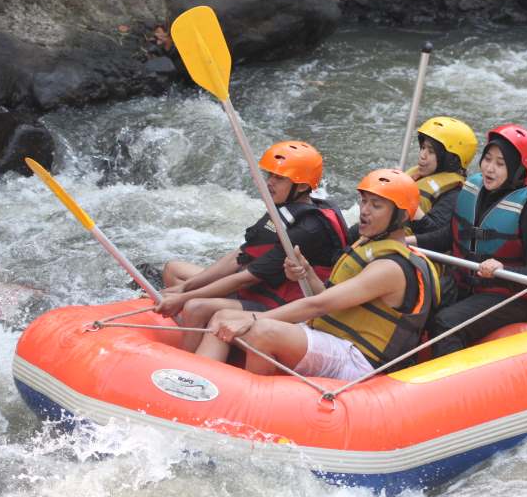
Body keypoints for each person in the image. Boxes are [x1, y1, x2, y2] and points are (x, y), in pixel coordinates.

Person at [196, 169, 440, 379]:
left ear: (401, 216)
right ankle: (195, 386)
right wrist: (308, 273)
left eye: (376, 206)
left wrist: (253, 319)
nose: (364, 211)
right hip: (334, 340)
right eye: (364, 201)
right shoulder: (368, 246)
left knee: (263, 330)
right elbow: (330, 299)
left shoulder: (390, 267)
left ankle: (251, 404)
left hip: (359, 361)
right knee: (222, 317)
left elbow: (319, 305)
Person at [156, 141, 348, 351]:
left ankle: (190, 357)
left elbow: (247, 278)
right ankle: (204, 337)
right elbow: (240, 255)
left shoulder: (308, 229)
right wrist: (184, 288)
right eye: (270, 175)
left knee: (195, 306)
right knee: (174, 270)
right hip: (265, 288)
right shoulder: (286, 208)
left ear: (301, 186)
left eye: (280, 178)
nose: (270, 182)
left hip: (283, 304)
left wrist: (184, 297)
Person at [415, 124, 527, 357]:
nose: (489, 168)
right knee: (415, 301)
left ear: (518, 170)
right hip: (462, 283)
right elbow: (451, 235)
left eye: (500, 164)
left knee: (447, 323)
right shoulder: (473, 188)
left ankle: (454, 379)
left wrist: (503, 269)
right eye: (487, 159)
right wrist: (411, 241)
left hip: (507, 297)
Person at [345, 116, 478, 245]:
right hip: (382, 232)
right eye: (423, 148)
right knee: (348, 235)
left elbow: (435, 234)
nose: (422, 155)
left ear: (450, 159)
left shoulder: (454, 193)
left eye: (431, 151)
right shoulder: (417, 176)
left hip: (407, 248)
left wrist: (409, 203)